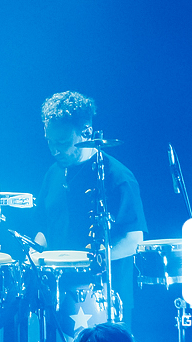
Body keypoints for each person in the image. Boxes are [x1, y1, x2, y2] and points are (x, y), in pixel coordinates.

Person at [32, 92, 146, 323]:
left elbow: (134, 240)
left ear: (86, 132)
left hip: (104, 300)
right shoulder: (53, 173)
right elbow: (45, 226)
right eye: (49, 141)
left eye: (62, 143)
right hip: (59, 295)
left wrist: (90, 260)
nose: (54, 150)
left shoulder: (117, 176)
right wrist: (35, 252)